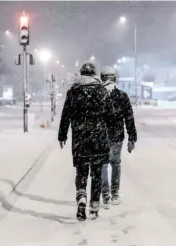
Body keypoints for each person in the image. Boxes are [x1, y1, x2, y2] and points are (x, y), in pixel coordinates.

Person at [58, 63, 112, 221]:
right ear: (94, 74)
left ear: (81, 74)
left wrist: (62, 135)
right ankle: (94, 207)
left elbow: (65, 115)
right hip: (99, 138)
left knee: (81, 172)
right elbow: (110, 115)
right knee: (96, 174)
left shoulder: (73, 91)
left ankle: (81, 196)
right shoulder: (102, 91)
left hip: (80, 139)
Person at [100, 66, 137, 208]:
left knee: (103, 165)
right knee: (115, 163)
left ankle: (105, 195)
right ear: (115, 78)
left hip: (100, 135)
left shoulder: (98, 95)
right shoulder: (122, 96)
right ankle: (115, 193)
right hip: (116, 136)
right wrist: (132, 138)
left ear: (102, 78)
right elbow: (129, 118)